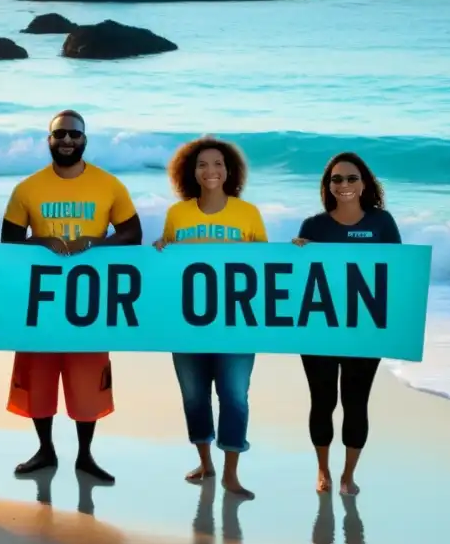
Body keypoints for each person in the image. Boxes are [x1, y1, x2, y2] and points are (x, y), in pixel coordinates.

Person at [1, 110, 143, 484]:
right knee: (39, 380)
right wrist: (40, 241)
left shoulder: (108, 185)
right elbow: (9, 244)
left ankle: (85, 456)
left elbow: (133, 234)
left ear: (85, 140)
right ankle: (45, 450)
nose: (67, 140)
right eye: (59, 134)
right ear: (49, 140)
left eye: (74, 135)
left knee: (86, 384)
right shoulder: (27, 189)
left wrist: (98, 242)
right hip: (41, 302)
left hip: (88, 304)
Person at [154, 136, 267, 499]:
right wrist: (159, 250)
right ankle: (205, 462)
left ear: (229, 170)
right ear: (191, 172)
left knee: (235, 395)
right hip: (186, 325)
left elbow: (266, 265)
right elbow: (169, 269)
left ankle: (231, 474)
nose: (210, 171)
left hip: (235, 324)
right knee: (194, 396)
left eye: (218, 164)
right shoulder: (177, 214)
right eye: (202, 164)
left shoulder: (247, 213)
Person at [292, 151, 401, 496]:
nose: (344, 185)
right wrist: (295, 254)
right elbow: (298, 280)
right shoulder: (313, 226)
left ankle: (348, 474)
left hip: (364, 331)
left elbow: (396, 273)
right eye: (336, 179)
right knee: (322, 401)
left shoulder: (382, 223)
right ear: (328, 185)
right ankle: (322, 469)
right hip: (319, 330)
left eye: (352, 178)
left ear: (364, 183)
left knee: (356, 402)